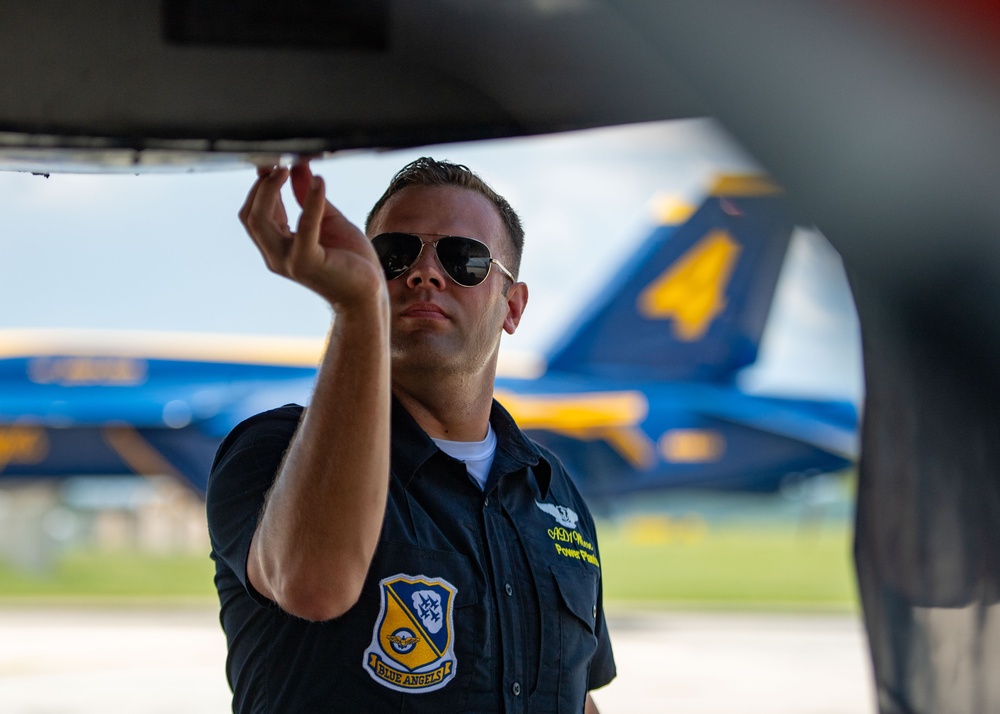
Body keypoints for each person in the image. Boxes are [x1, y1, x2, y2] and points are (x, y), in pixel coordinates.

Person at [207, 157, 616, 713]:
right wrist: (358, 309)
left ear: (511, 307)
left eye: (464, 259)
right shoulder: (276, 452)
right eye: (393, 256)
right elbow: (313, 585)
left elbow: (575, 696)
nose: (424, 273)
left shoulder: (549, 489)